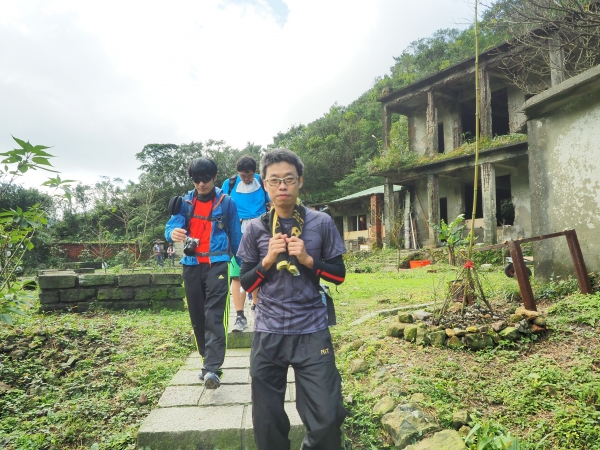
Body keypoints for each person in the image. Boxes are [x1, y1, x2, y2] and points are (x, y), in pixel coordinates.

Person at [238, 148, 347, 450]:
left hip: (311, 330)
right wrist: (269, 259)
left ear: (300, 181)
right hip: (268, 331)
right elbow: (246, 282)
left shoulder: (321, 223)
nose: (282, 186)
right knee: (266, 421)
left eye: (288, 179)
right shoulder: (256, 228)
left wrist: (311, 261)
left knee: (327, 416)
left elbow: (339, 275)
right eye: (275, 180)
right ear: (264, 185)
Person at [165, 157, 242, 390]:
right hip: (190, 264)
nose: (201, 184)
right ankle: (205, 361)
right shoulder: (184, 202)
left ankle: (212, 367)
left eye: (205, 179)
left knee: (214, 314)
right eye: (196, 180)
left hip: (217, 263)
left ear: (215, 177)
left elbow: (237, 236)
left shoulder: (227, 202)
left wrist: (245, 265)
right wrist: (173, 233)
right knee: (198, 317)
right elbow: (171, 226)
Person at [222, 155, 270, 332]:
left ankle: (258, 310)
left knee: (258, 271)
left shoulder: (261, 181)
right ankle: (240, 317)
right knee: (236, 274)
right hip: (237, 231)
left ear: (254, 171)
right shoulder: (230, 183)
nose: (246, 178)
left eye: (249, 175)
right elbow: (222, 207)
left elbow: (271, 201)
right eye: (243, 175)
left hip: (260, 229)